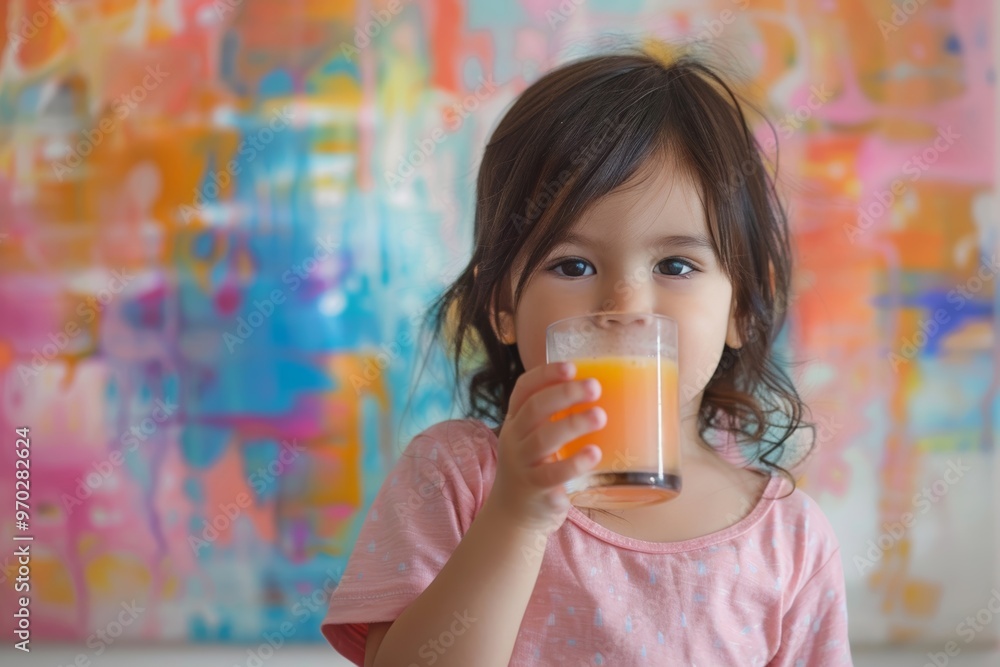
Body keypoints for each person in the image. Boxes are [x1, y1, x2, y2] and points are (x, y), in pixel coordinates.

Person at [321, 41, 853, 666]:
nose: (624, 303)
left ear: (741, 306)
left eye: (676, 264)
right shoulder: (457, 478)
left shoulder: (788, 539)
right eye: (572, 264)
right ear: (502, 307)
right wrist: (517, 515)